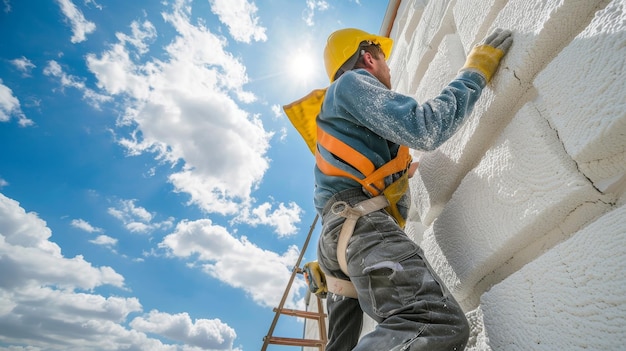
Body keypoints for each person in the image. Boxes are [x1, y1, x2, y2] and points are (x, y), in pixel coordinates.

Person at [304, 27, 513, 351]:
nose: (389, 69)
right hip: (361, 226)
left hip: (336, 238)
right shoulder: (352, 83)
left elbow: (345, 187)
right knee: (433, 323)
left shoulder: (336, 119)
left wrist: (397, 179)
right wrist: (475, 71)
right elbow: (426, 128)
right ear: (368, 57)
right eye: (384, 60)